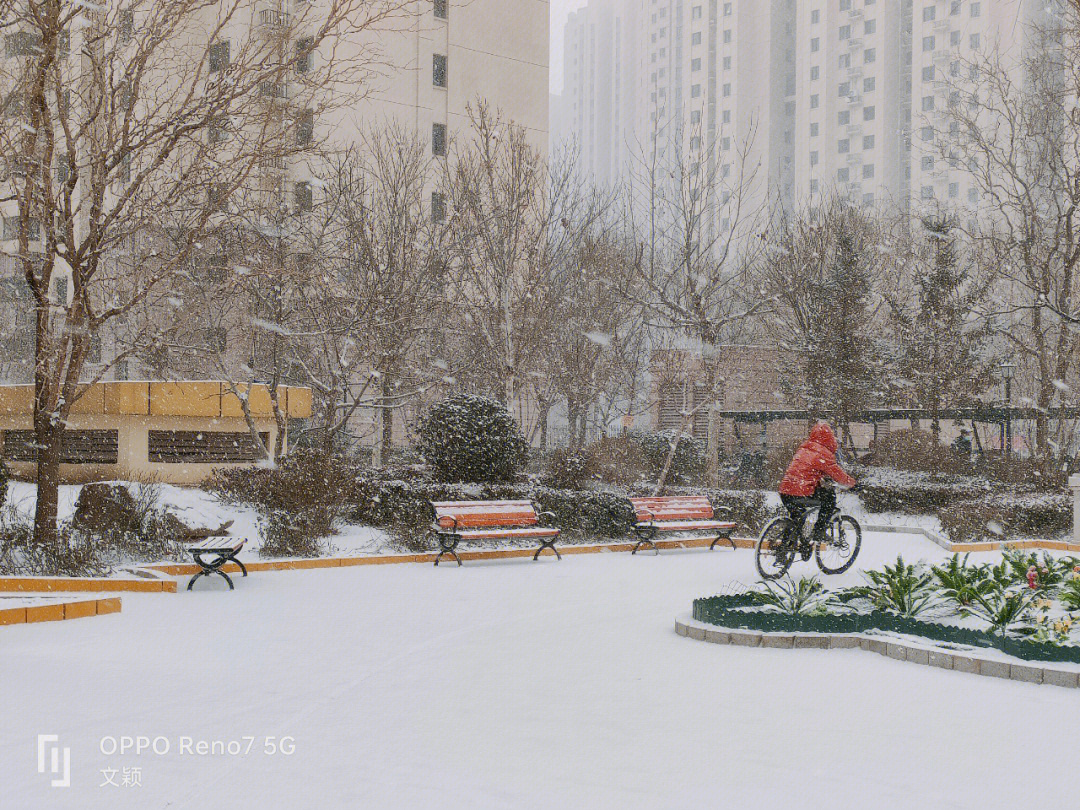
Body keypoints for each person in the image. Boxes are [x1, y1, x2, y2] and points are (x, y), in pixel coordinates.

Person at [778, 422, 858, 560]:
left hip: (785, 491)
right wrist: (853, 484)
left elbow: (806, 470)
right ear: (829, 438)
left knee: (796, 518)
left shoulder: (804, 449)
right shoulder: (824, 454)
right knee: (829, 497)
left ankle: (783, 550)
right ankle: (819, 531)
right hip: (801, 490)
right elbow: (838, 474)